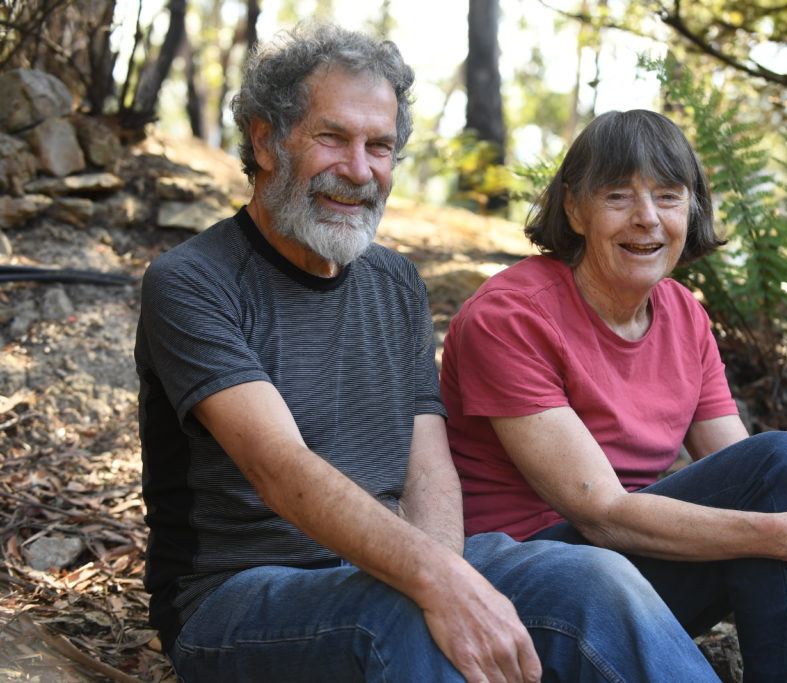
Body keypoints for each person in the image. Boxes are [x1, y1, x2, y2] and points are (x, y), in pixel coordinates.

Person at [135, 24, 721, 683]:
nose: (359, 169)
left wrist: (449, 573)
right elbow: (280, 465)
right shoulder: (193, 281)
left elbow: (430, 470)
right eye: (333, 137)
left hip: (385, 570)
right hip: (234, 602)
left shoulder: (395, 283)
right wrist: (437, 581)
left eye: (379, 146)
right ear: (266, 139)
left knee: (593, 576)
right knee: (409, 617)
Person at [441, 109, 787, 682]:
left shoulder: (684, 315)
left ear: (691, 208)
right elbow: (602, 515)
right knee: (785, 471)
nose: (647, 219)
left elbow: (747, 467)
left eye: (668, 196)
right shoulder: (510, 317)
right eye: (617, 197)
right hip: (527, 582)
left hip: (629, 566)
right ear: (574, 209)